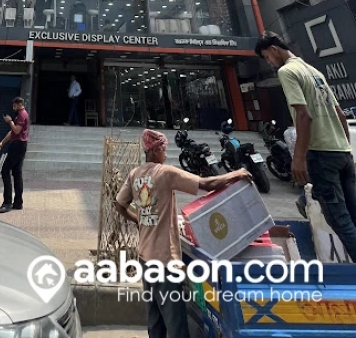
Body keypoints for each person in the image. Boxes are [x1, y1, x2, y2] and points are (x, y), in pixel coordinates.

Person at [115, 129, 251, 338]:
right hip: (164, 261)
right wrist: (236, 173)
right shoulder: (165, 173)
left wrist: (140, 221)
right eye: (164, 150)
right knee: (176, 324)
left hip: (145, 257)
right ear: (156, 150)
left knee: (155, 321)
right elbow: (206, 184)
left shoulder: (135, 174)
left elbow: (119, 204)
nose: (165, 154)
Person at [255, 30, 356, 261]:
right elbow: (340, 114)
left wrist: (298, 157)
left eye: (267, 57)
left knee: (340, 221)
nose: (269, 62)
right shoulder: (314, 71)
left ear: (274, 50)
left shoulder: (287, 71)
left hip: (321, 155)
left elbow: (303, 115)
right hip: (342, 153)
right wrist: (347, 149)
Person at [0, 96, 30, 213]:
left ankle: (7, 203)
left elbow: (16, 130)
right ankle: (18, 202)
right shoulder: (20, 115)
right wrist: (2, 142)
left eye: (15, 105)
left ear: (20, 104)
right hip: (19, 145)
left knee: (5, 171)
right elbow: (12, 133)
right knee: (17, 173)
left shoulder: (22, 115)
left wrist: (9, 121)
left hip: (18, 146)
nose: (13, 107)